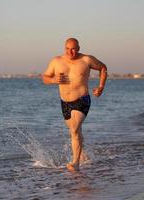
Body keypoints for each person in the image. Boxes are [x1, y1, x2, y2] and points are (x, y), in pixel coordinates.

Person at [42, 38, 107, 172]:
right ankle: (82, 154)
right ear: (64, 48)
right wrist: (54, 79)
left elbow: (102, 68)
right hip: (65, 102)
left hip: (82, 100)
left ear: (78, 48)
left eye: (73, 49)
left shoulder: (86, 60)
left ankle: (75, 163)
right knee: (75, 131)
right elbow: (45, 77)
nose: (70, 52)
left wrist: (101, 87)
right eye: (67, 49)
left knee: (74, 130)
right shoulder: (56, 61)